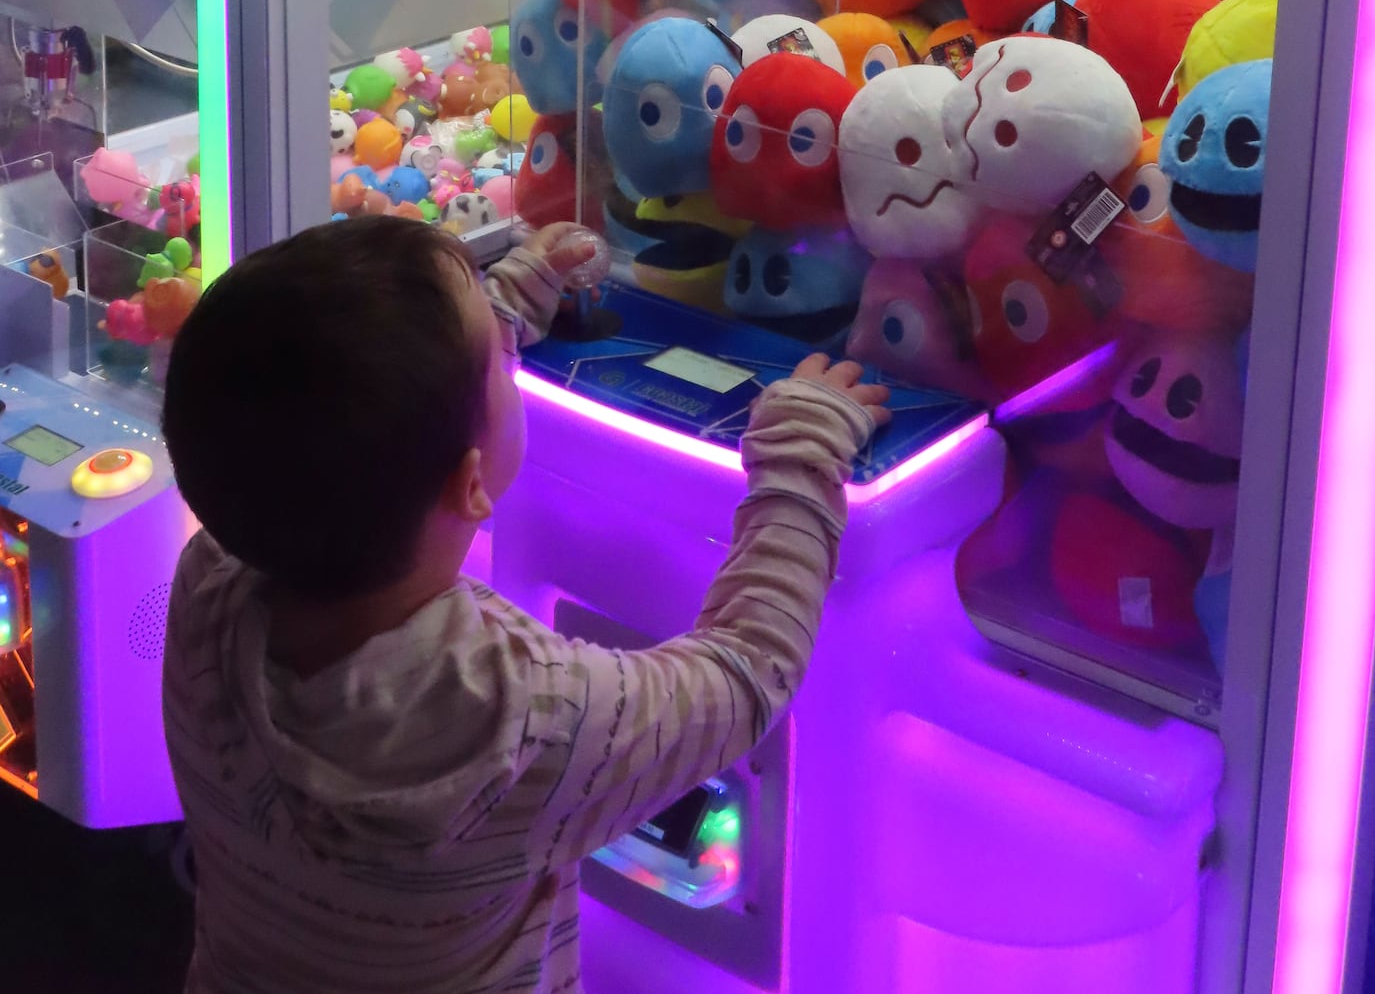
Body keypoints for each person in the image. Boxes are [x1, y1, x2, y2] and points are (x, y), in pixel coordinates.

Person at [160, 213, 889, 994]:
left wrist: (486, 323)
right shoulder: (519, 720)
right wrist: (801, 451)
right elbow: (746, 670)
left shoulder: (206, 587)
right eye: (499, 368)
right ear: (469, 484)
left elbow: (323, 404)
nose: (509, 358)